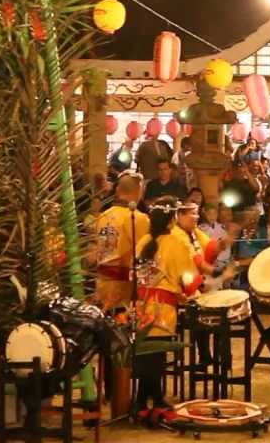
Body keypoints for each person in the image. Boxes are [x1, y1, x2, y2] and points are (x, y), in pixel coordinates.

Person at [133, 197, 203, 413]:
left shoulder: (143, 241)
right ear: (172, 218)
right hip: (163, 308)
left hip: (141, 306)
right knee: (156, 357)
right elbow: (187, 277)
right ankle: (144, 402)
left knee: (147, 355)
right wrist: (191, 292)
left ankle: (150, 398)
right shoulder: (176, 241)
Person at [93, 175, 149, 313]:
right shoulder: (137, 218)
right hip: (123, 285)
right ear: (139, 191)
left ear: (118, 190)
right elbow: (144, 252)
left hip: (101, 282)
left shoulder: (103, 215)